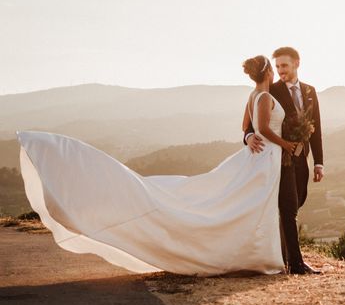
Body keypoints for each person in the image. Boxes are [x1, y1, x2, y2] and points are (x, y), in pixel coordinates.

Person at [15, 55, 294, 276]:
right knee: (248, 205)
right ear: (269, 72)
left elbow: (250, 127)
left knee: (248, 205)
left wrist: (253, 137)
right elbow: (262, 129)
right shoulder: (265, 96)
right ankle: (256, 254)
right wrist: (286, 144)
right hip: (265, 157)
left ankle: (260, 253)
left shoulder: (252, 96)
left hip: (262, 158)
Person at [244, 46, 324, 275]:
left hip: (302, 160)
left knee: (295, 204)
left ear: (297, 63)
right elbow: (252, 125)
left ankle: (285, 255)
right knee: (287, 210)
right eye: (277, 66)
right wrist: (248, 137)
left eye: (285, 66)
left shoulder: (310, 91)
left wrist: (318, 162)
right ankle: (292, 261)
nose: (281, 71)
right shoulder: (272, 90)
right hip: (281, 160)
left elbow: (316, 129)